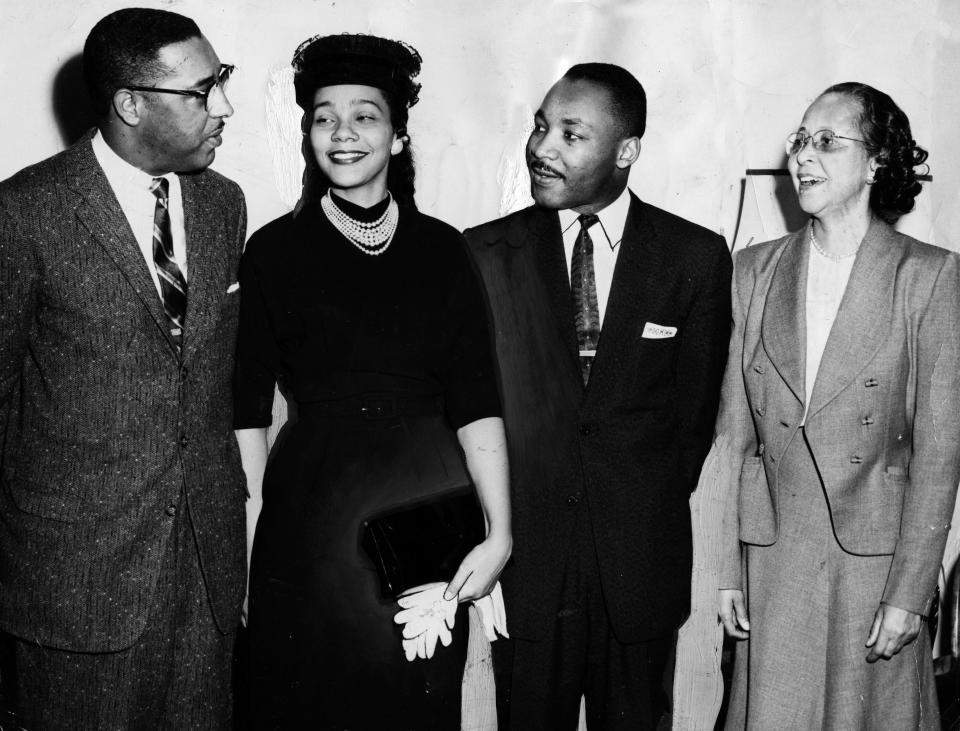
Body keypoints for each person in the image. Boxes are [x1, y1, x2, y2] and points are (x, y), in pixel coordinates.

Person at [233, 34, 511, 729]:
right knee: (304, 694)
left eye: (364, 115)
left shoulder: (444, 250)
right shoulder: (274, 250)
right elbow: (246, 414)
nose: (342, 133)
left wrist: (499, 531)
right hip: (310, 505)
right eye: (324, 116)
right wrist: (253, 539)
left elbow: (478, 403)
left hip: (423, 493)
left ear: (398, 134)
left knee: (408, 698)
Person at [464, 63, 732, 730]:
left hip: (638, 572)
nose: (542, 147)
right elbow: (470, 415)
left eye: (570, 133)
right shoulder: (484, 254)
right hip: (526, 570)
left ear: (626, 151)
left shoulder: (693, 257)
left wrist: (630, 505)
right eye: (539, 127)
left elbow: (692, 425)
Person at [0, 7, 246, 729]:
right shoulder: (25, 213)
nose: (223, 107)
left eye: (222, 81)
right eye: (203, 92)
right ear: (131, 104)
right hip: (78, 585)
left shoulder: (221, 204)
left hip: (206, 569)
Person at [716, 82, 960, 729]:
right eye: (799, 140)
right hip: (773, 557)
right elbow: (732, 435)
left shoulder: (929, 276)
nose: (803, 155)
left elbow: (940, 450)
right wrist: (722, 570)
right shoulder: (753, 270)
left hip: (874, 567)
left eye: (827, 141)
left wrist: (910, 593)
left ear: (877, 161)